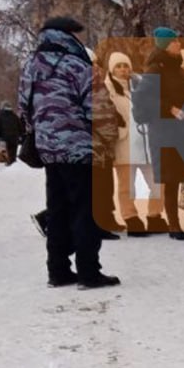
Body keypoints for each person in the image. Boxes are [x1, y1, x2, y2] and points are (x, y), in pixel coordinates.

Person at [18, 16, 119, 289]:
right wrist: (109, 139)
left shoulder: (30, 66)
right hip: (81, 148)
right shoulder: (79, 66)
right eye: (78, 34)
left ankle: (58, 270)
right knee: (86, 210)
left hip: (49, 150)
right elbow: (97, 109)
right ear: (67, 35)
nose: (80, 39)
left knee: (58, 209)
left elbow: (23, 107)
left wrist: (43, 135)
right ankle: (88, 272)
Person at [134, 27, 184, 240]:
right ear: (165, 46)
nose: (179, 44)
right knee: (171, 179)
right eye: (175, 42)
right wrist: (169, 108)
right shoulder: (155, 69)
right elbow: (143, 99)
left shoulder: (176, 68)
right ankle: (174, 226)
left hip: (181, 130)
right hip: (164, 131)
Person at [105, 51, 165, 236]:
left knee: (158, 182)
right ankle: (131, 218)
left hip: (146, 143)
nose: (123, 70)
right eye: (119, 66)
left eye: (126, 66)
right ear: (112, 69)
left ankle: (154, 216)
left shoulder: (140, 86)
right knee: (126, 187)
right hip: (125, 145)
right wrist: (121, 132)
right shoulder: (108, 89)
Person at [87, 50, 122, 239]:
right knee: (98, 187)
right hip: (95, 144)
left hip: (103, 145)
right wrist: (109, 134)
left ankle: (107, 218)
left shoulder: (98, 83)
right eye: (92, 63)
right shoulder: (89, 83)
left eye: (96, 63)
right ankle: (99, 223)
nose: (95, 67)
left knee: (106, 185)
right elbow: (98, 114)